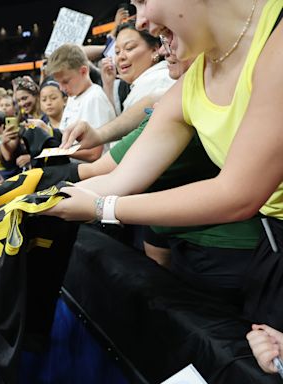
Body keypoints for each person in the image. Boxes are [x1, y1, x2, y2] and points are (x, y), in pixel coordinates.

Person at [47, 0, 283, 328]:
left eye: (143, 1)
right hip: (272, 250)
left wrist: (103, 207)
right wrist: (36, 201)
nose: (141, 20)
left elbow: (237, 194)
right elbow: (121, 177)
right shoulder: (195, 76)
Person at [46, 43, 116, 162]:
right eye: (59, 83)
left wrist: (59, 151)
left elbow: (94, 153)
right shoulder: (73, 96)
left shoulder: (94, 97)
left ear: (83, 71)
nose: (62, 89)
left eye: (65, 81)